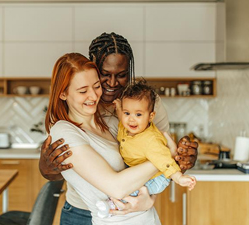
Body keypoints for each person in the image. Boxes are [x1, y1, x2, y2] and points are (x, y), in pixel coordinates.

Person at [39, 32, 198, 224]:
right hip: (79, 210)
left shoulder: (143, 106)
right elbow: (116, 181)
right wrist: (47, 167)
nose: (112, 83)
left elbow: (155, 155)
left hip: (135, 211)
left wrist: (148, 199)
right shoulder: (69, 126)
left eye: (121, 75)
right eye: (105, 75)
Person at [46, 52, 162, 224]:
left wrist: (148, 199)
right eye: (83, 91)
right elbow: (116, 187)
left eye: (96, 86)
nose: (93, 96)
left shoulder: (109, 125)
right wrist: (165, 157)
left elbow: (139, 165)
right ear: (63, 94)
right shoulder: (63, 132)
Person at [96, 80, 196, 218]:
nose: (131, 120)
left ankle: (112, 206)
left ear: (151, 116)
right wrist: (119, 107)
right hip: (143, 171)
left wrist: (179, 178)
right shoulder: (126, 126)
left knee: (130, 188)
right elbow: (122, 117)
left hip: (156, 179)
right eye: (127, 113)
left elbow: (165, 161)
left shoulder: (151, 141)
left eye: (138, 115)